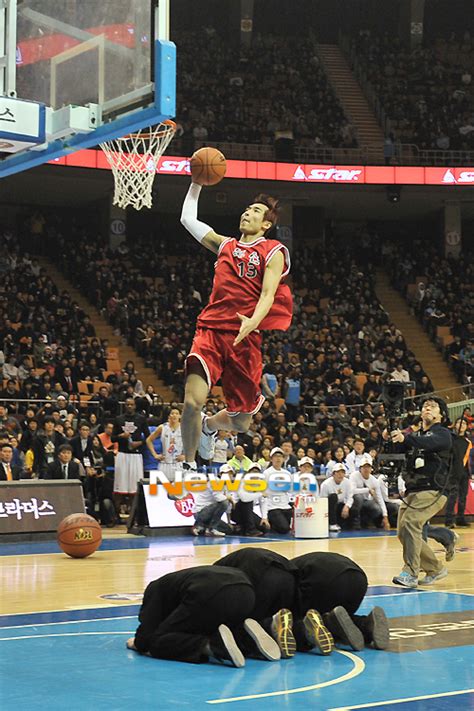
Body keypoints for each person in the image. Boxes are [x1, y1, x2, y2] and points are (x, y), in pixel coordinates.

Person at [179, 183, 292, 472]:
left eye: (255, 211)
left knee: (241, 422)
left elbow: (268, 293)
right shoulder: (225, 244)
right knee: (192, 402)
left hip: (245, 337)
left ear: (266, 223)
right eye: (246, 208)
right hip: (211, 331)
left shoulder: (273, 250)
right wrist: (196, 184)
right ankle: (189, 466)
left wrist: (254, 320)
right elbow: (188, 220)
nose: (247, 212)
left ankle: (209, 427)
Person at [126, 566, 280, 666]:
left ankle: (212, 645)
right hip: (246, 590)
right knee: (212, 625)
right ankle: (248, 639)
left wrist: (136, 644)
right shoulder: (174, 581)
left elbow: (145, 635)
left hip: (209, 592)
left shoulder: (154, 588)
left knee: (158, 641)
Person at [214, 548, 334, 658]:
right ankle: (303, 631)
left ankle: (270, 626)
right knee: (286, 620)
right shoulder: (225, 565)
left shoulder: (216, 572)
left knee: (245, 628)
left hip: (260, 574)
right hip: (288, 575)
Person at [390, 396, 453, 588]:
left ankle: (410, 573)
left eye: (433, 407)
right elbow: (402, 447)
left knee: (410, 524)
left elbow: (429, 443)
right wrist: (391, 437)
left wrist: (406, 437)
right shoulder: (416, 435)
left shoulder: (442, 433)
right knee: (403, 532)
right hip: (413, 490)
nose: (427, 408)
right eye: (425, 406)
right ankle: (435, 568)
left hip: (433, 489)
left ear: (441, 415)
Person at [292, 552, 390, 651]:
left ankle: (327, 623)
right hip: (358, 579)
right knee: (341, 618)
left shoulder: (288, 571)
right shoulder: (292, 564)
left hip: (325, 580)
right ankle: (364, 624)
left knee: (294, 623)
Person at [111, 397, 150, 506]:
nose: (129, 406)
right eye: (127, 404)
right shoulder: (118, 419)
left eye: (131, 404)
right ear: (124, 405)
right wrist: (121, 436)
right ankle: (117, 512)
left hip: (136, 455)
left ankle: (134, 514)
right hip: (122, 455)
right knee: (120, 485)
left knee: (135, 486)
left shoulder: (141, 419)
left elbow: (148, 438)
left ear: (135, 406)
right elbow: (112, 438)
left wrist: (139, 443)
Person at [349, 455, 390, 530]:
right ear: (360, 469)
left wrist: (385, 516)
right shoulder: (354, 476)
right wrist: (368, 490)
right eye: (364, 467)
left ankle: (366, 521)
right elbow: (352, 491)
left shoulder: (374, 480)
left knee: (377, 509)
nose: (366, 469)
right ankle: (355, 523)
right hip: (352, 502)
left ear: (371, 469)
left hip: (366, 502)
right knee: (358, 497)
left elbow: (380, 499)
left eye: (368, 467)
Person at [445, 417, 472, 528]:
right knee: (453, 495)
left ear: (467, 426)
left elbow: (469, 459)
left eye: (464, 423)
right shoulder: (451, 439)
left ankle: (460, 519)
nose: (461, 425)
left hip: (465, 473)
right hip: (453, 472)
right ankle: (449, 520)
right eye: (459, 423)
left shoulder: (468, 442)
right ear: (455, 425)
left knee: (463, 496)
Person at [145, 407, 184, 482]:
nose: (174, 415)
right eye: (172, 413)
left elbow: (193, 443)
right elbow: (148, 440)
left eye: (177, 413)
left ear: (180, 416)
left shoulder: (184, 428)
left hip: (179, 463)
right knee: (163, 490)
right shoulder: (162, 427)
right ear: (169, 416)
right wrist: (155, 455)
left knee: (178, 491)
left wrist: (185, 455)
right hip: (164, 463)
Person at [263, 447, 293, 534]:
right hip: (272, 507)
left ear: (283, 459)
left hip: (285, 506)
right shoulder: (267, 473)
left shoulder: (287, 473)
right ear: (271, 459)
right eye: (275, 456)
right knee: (283, 529)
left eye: (280, 456)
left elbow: (290, 491)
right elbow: (264, 494)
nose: (278, 459)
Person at [320, 462, 356, 532]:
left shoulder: (348, 482)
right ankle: (332, 524)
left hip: (340, 505)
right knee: (333, 496)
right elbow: (322, 500)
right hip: (329, 508)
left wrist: (347, 507)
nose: (340, 475)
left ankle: (348, 525)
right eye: (338, 472)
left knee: (354, 509)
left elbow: (350, 497)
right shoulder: (326, 484)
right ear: (333, 474)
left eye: (342, 472)